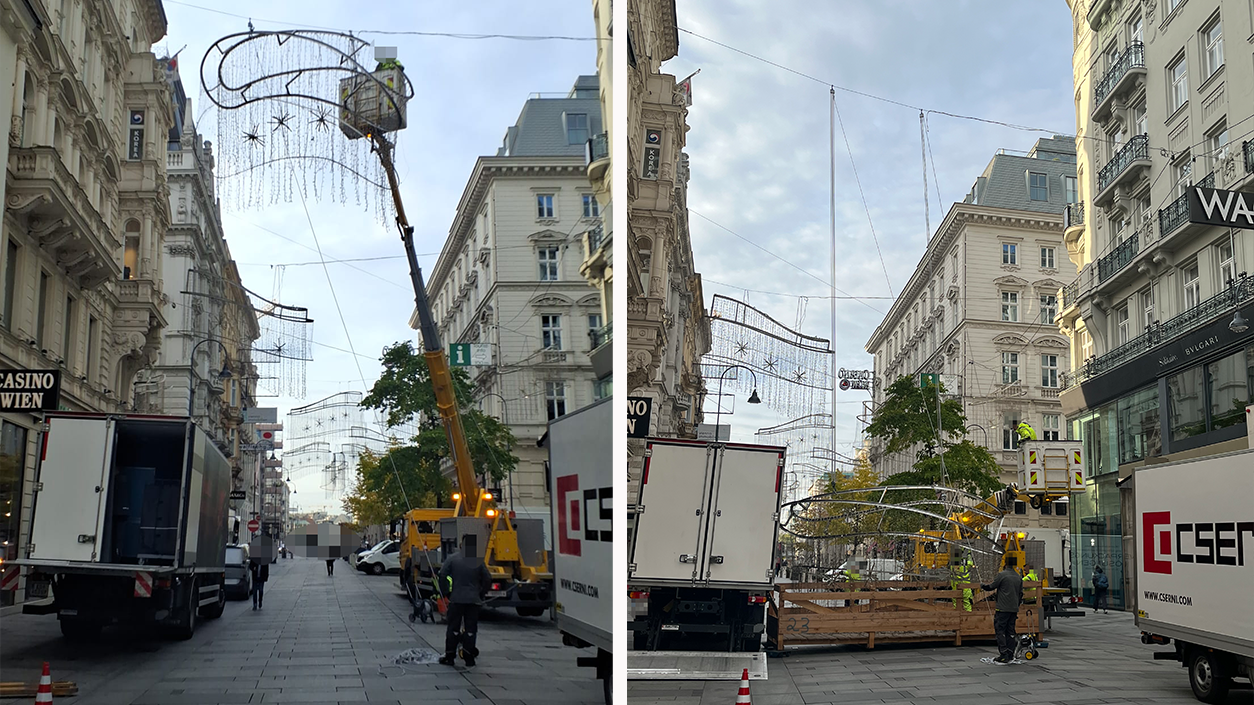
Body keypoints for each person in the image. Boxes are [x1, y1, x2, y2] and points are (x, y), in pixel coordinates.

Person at [438, 535, 492, 668]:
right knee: (471, 629)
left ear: (461, 545)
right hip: (473, 601)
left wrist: (446, 592)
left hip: (456, 599)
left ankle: (450, 656)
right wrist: (481, 593)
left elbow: (442, 574)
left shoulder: (452, 559)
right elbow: (487, 578)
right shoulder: (478, 561)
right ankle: (469, 657)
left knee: (453, 628)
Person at [981, 555, 1024, 664]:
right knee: (1010, 631)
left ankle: (1003, 654)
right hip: (1013, 609)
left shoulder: (1002, 575)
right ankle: (1010, 653)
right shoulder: (1018, 577)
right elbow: (1021, 593)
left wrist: (983, 586)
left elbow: (991, 586)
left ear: (1005, 563)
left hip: (1003, 608)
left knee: (1000, 630)